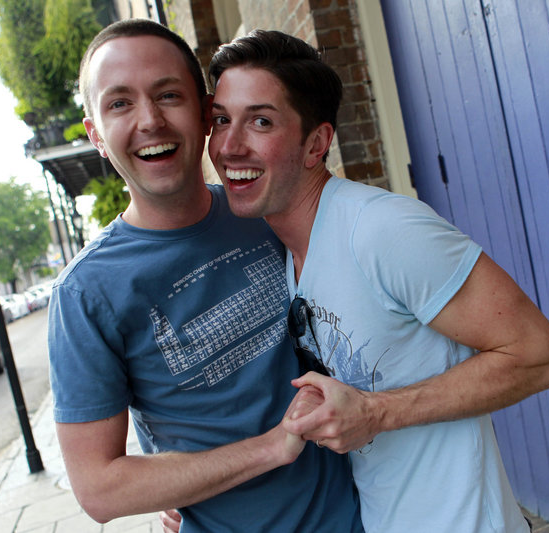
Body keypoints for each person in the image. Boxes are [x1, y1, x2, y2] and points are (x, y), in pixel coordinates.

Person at [203, 30, 549, 533]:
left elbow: (542, 354)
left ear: (317, 143)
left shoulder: (382, 230)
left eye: (260, 121)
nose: (229, 144)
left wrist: (376, 413)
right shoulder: (287, 254)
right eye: (221, 119)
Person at [47, 19, 362, 532]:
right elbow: (100, 489)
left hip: (365, 512)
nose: (150, 120)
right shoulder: (85, 293)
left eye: (168, 95)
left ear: (205, 111)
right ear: (96, 136)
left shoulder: (265, 212)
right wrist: (270, 448)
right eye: (119, 103)